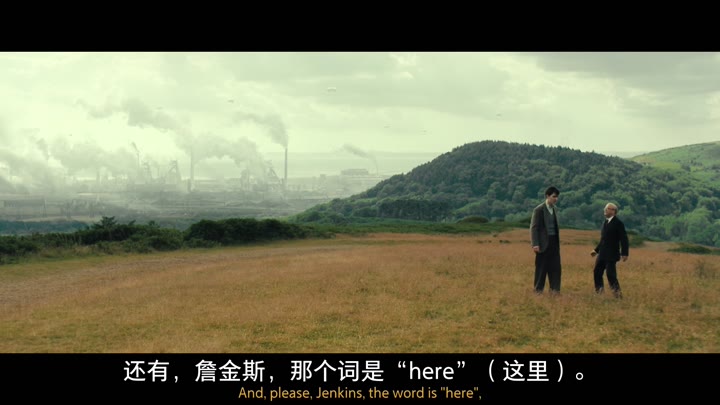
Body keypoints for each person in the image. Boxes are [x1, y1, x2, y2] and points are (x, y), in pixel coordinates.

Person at [590, 202, 629, 298]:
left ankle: (618, 295)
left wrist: (624, 253)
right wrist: (596, 250)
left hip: (612, 255)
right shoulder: (605, 222)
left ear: (613, 211)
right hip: (602, 254)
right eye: (606, 208)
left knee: (610, 275)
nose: (605, 210)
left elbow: (624, 239)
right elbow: (603, 239)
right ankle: (599, 293)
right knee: (597, 272)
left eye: (607, 208)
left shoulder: (618, 223)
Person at [530, 186, 561, 294]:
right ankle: (538, 290)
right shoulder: (539, 209)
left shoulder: (555, 209)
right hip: (543, 243)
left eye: (557, 197)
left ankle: (555, 290)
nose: (556, 199)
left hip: (554, 242)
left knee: (555, 267)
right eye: (554, 196)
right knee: (541, 268)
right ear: (547, 196)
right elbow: (534, 228)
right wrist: (535, 244)